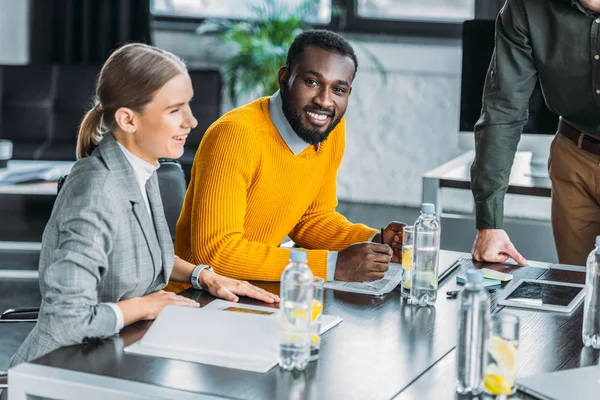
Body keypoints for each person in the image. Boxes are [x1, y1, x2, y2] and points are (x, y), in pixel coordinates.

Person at [9, 43, 279, 367]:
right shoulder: (96, 194)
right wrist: (146, 306)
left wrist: (204, 276)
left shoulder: (143, 168)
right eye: (175, 109)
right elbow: (67, 321)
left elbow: (147, 252)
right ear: (128, 120)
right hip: (60, 370)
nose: (192, 121)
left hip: (116, 353)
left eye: (188, 105)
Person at [172, 30, 405, 289]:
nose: (324, 101)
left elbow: (311, 219)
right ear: (285, 79)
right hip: (195, 298)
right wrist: (332, 265)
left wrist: (377, 241)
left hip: (255, 292)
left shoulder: (330, 129)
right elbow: (216, 252)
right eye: (312, 82)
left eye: (338, 89)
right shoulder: (235, 135)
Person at [471, 0, 600, 266]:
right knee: (578, 288)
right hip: (574, 158)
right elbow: (503, 108)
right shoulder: (527, 6)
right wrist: (490, 224)